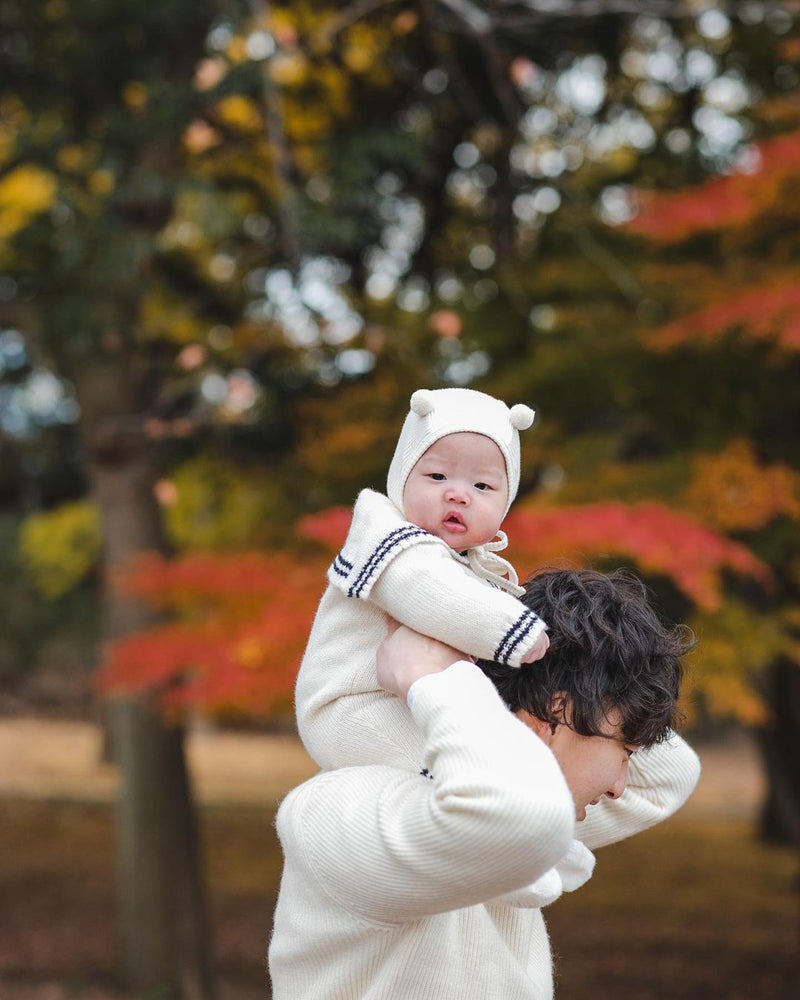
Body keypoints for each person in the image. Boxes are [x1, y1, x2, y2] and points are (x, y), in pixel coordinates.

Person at [269, 569, 701, 1000]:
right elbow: (514, 823)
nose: (619, 788)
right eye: (625, 752)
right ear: (559, 711)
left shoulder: (514, 802)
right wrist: (435, 679)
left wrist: (487, 635)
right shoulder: (338, 816)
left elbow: (671, 776)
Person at [296, 387, 550, 771]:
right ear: (401, 477)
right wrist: (519, 631)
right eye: (437, 475)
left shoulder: (463, 564)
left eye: (482, 486)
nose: (458, 494)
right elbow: (439, 596)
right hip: (349, 706)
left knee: (486, 757)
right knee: (468, 766)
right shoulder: (390, 539)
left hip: (400, 701)